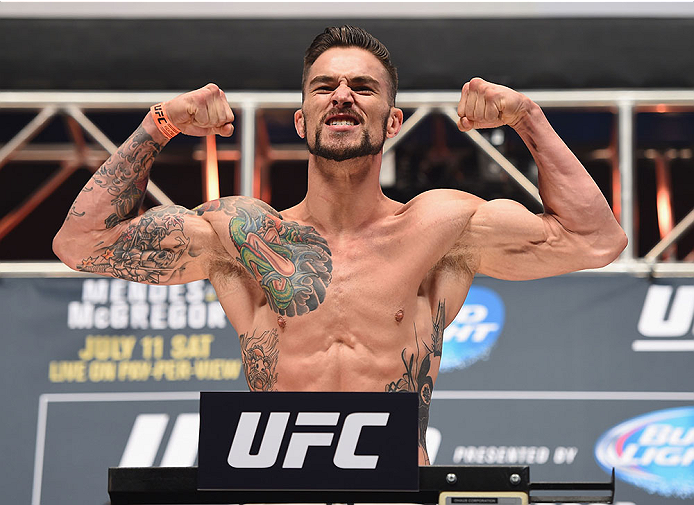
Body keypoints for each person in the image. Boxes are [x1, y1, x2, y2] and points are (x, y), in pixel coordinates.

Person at [53, 26, 627, 465]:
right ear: (301, 121)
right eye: (324, 87)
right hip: (277, 489)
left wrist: (527, 117)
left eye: (364, 88)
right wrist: (160, 124)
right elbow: (80, 242)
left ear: (393, 120)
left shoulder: (441, 228)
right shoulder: (243, 236)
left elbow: (597, 240)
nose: (343, 96)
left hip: (399, 492)